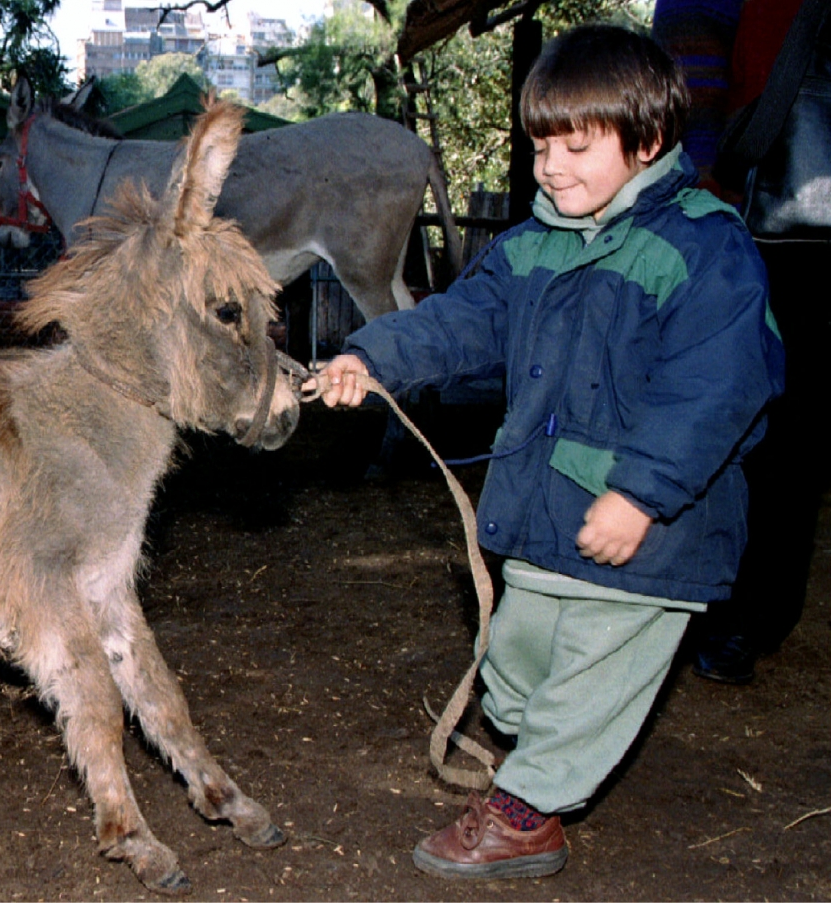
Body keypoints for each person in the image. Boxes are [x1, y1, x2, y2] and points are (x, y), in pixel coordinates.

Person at [311, 23, 784, 879]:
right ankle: (539, 751)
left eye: (577, 145)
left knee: (591, 677)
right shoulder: (529, 247)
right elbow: (456, 322)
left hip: (650, 530)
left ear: (646, 142)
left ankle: (530, 811)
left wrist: (642, 493)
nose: (553, 166)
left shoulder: (705, 250)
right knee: (518, 668)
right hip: (540, 508)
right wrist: (371, 357)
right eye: (540, 147)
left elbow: (718, 385)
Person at [656, 0, 826, 684]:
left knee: (765, 425)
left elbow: (689, 75)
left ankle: (734, 612)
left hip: (773, 223)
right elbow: (691, 69)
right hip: (765, 218)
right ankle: (740, 611)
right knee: (777, 426)